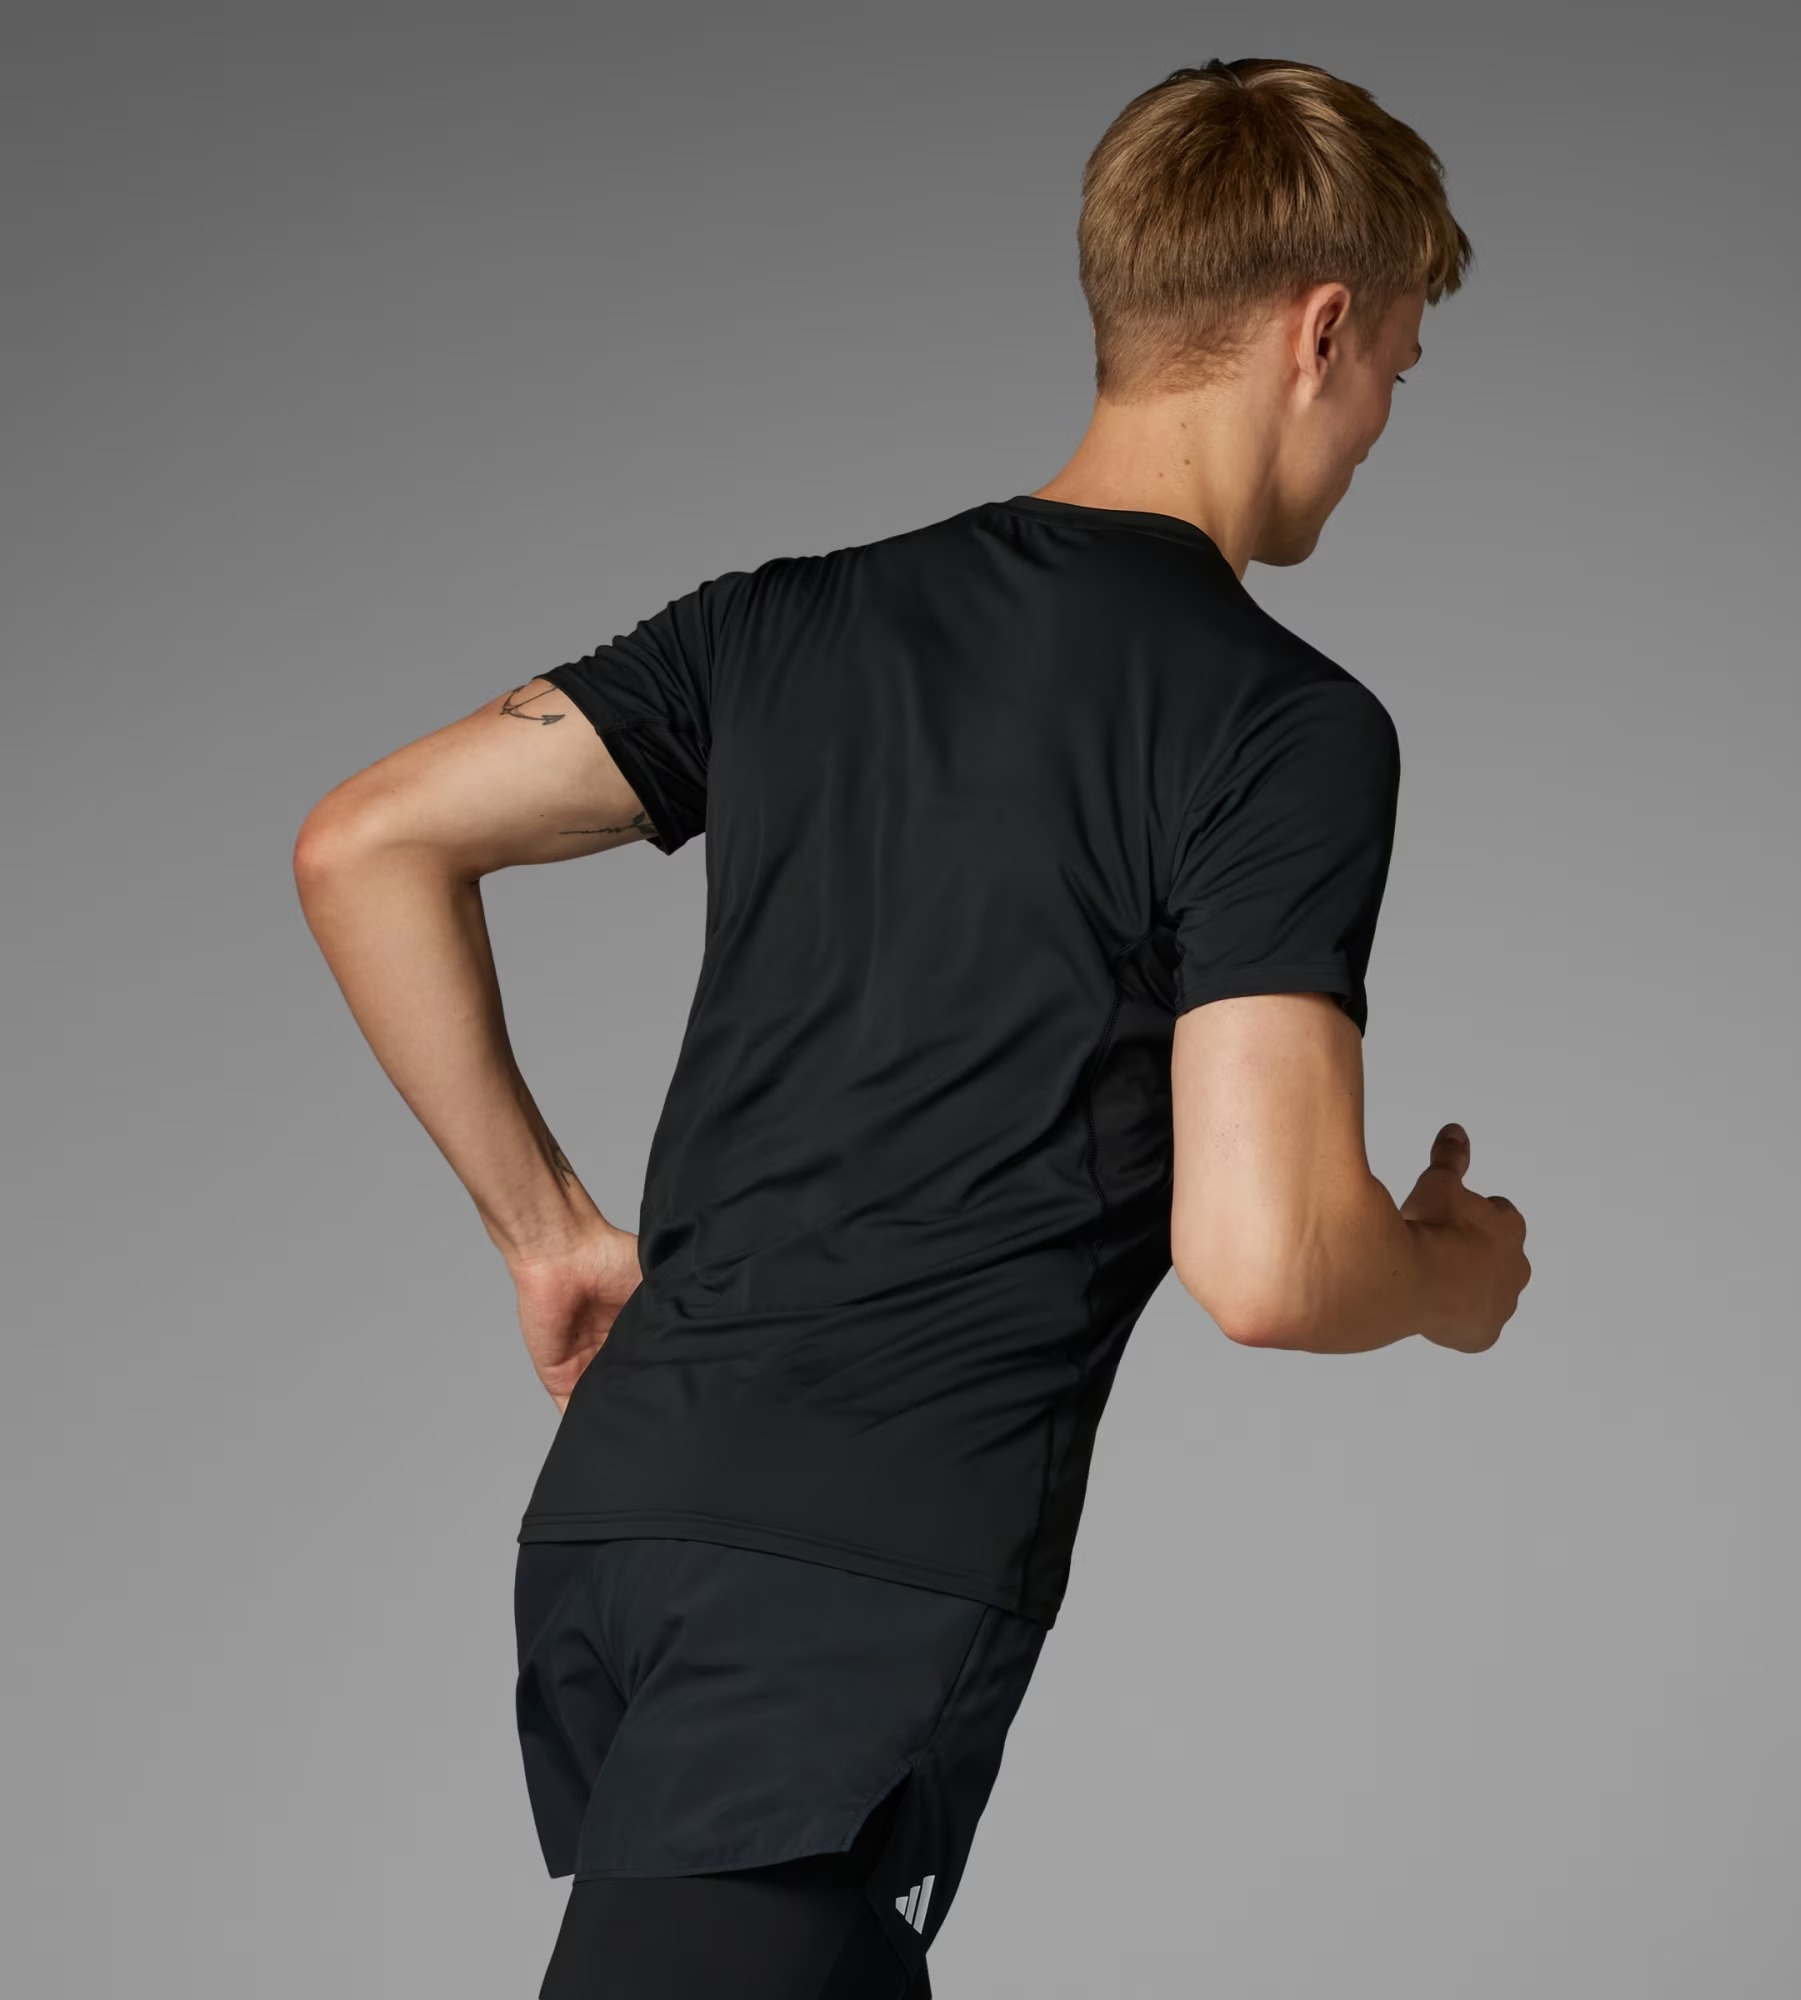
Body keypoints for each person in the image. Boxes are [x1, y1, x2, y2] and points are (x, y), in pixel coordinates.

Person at [293, 53, 1529, 2000]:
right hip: (841, 1582)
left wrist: (549, 1237)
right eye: (1394, 363)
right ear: (1321, 331)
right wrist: (1451, 1275)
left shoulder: (780, 623)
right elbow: (1271, 1260)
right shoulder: (1278, 725)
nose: (1379, 420)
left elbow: (368, 844)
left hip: (621, 1530)